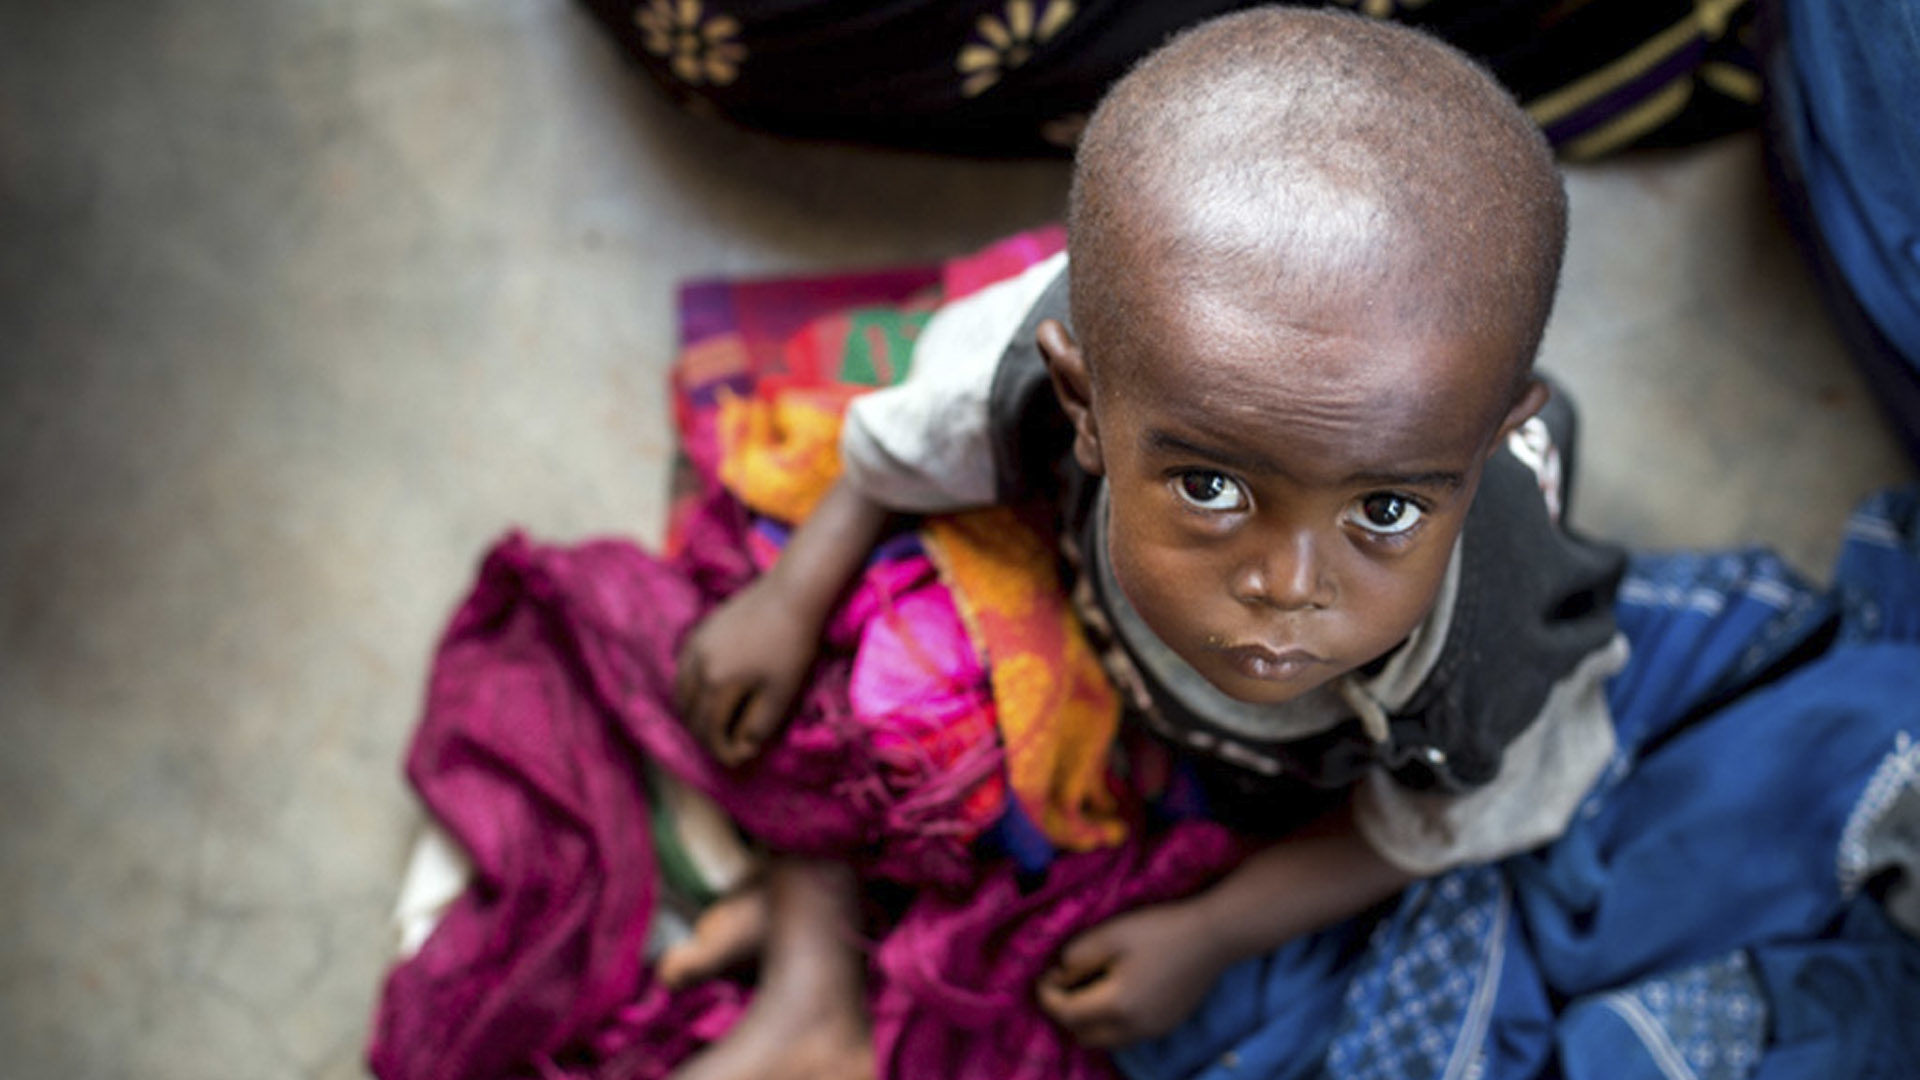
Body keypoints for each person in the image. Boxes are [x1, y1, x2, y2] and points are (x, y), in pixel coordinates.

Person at [663, 8, 1628, 1079]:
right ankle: (814, 979)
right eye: (1213, 488)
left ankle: (827, 933)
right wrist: (793, 598)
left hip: (1259, 776)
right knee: (846, 623)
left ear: (1493, 440)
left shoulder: (1482, 663)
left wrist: (1214, 934)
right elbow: (904, 441)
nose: (1287, 586)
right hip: (1119, 551)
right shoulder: (1034, 373)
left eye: (1387, 511)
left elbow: (1428, 828)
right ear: (1083, 403)